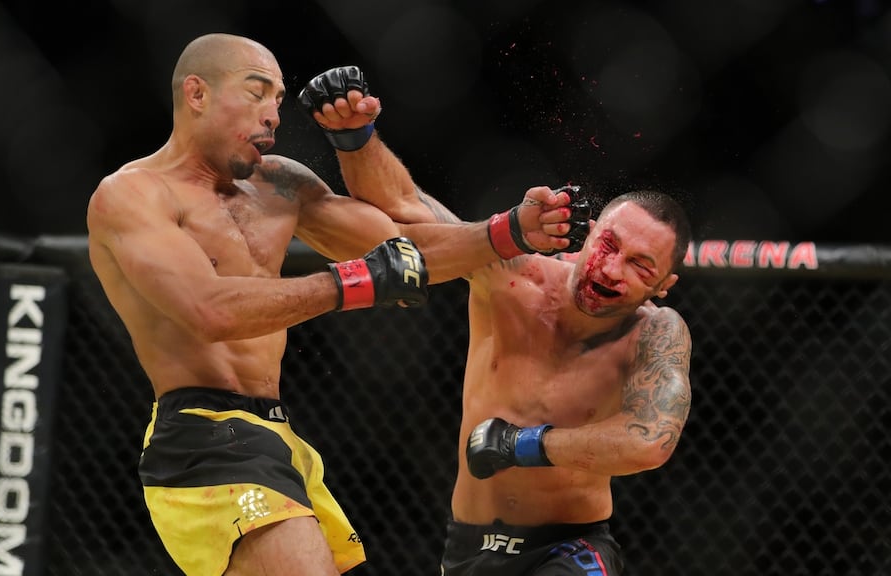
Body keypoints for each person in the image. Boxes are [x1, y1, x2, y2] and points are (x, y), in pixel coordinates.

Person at [85, 33, 585, 576]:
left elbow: (400, 247)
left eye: (278, 100)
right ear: (197, 93)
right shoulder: (132, 195)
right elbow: (210, 311)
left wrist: (510, 230)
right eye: (256, 93)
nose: (273, 115)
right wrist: (353, 281)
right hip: (204, 436)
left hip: (277, 439)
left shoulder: (280, 185)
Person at [325, 72, 694, 575]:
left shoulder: (654, 332)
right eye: (609, 246)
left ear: (663, 285)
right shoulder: (513, 272)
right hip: (468, 547)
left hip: (571, 547)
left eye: (640, 266)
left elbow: (651, 439)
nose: (611, 269)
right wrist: (355, 136)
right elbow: (402, 207)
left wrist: (525, 444)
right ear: (587, 237)